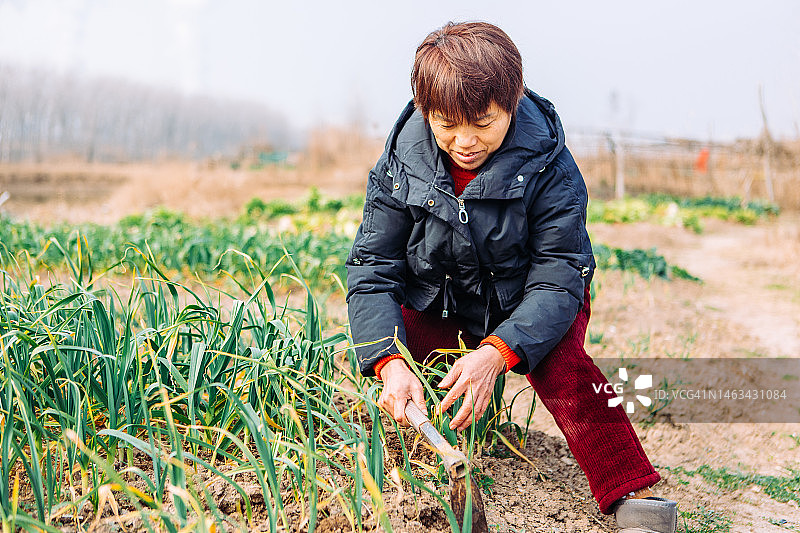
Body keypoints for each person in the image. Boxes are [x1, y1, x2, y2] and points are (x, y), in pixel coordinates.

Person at [346, 21, 677, 533]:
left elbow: (559, 276)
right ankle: (419, 459)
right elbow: (372, 268)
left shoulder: (551, 167)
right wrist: (388, 361)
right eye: (446, 124)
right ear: (424, 108)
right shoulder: (400, 162)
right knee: (390, 358)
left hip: (530, 300)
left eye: (483, 123)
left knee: (563, 366)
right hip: (445, 299)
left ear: (512, 100)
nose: (464, 142)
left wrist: (499, 351)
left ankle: (631, 491)